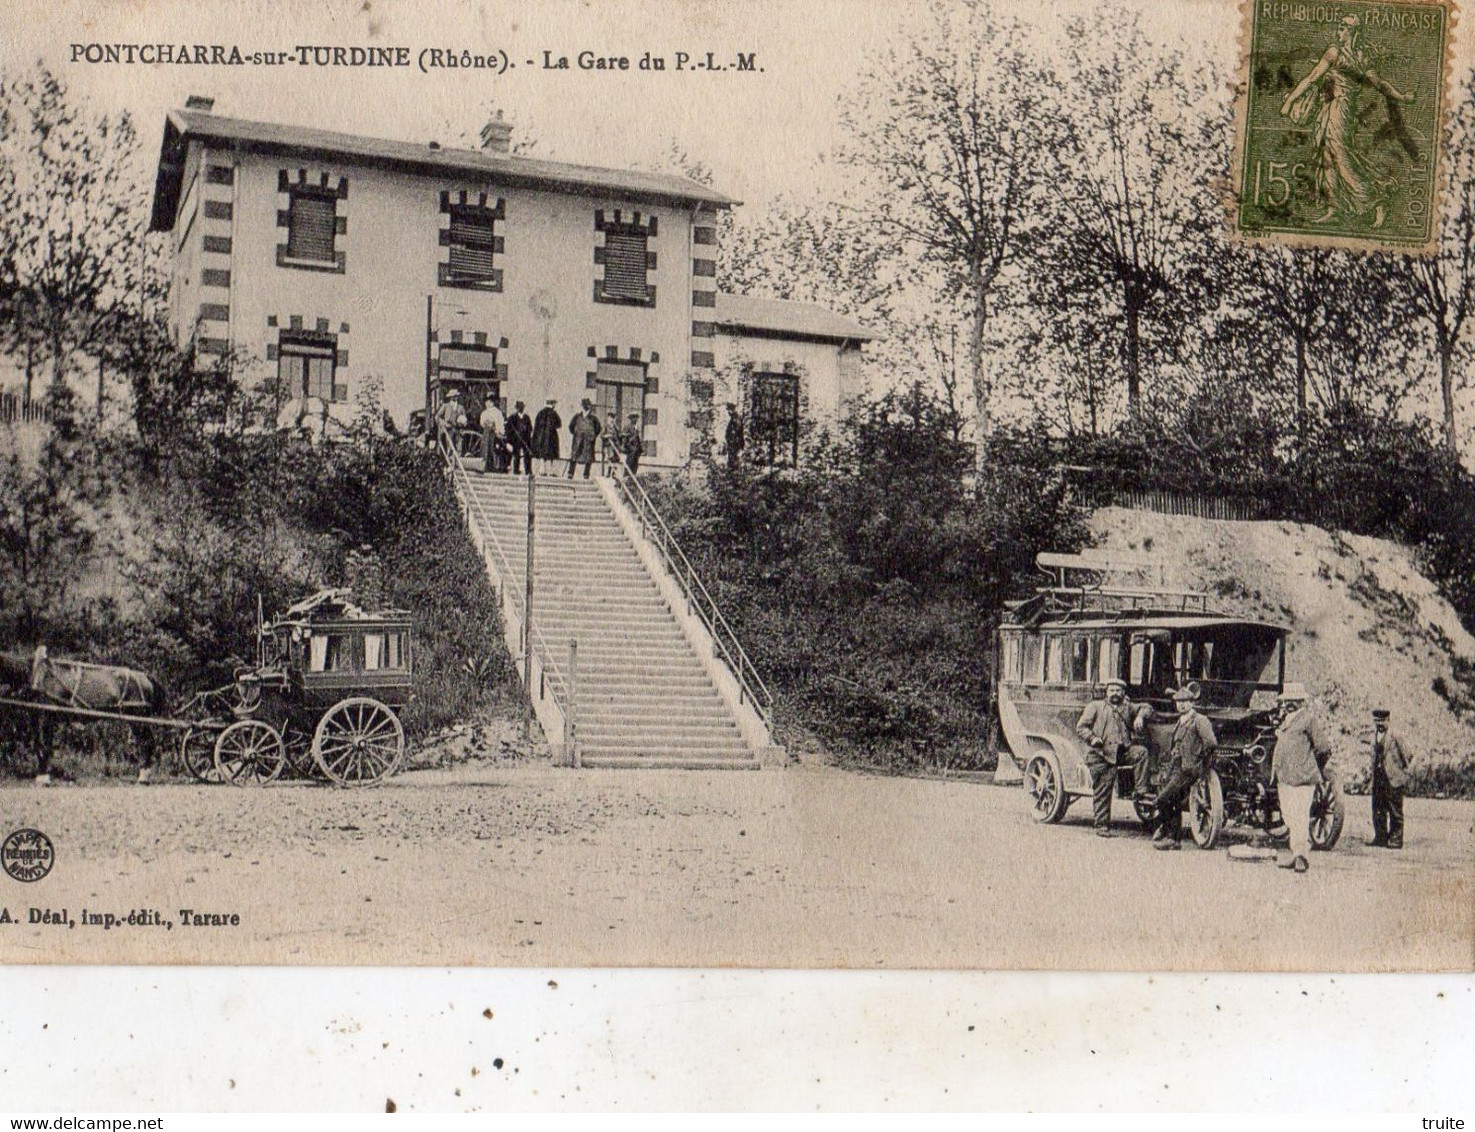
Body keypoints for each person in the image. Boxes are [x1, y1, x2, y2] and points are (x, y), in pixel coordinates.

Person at [1279, 14, 1412, 228]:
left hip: (1342, 111)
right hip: (1331, 108)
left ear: (1352, 31)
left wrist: (1401, 97)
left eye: (1342, 29)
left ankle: (1376, 200)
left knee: (1340, 156)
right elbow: (1313, 77)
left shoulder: (1355, 57)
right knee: (1326, 155)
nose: (1338, 33)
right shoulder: (1340, 54)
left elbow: (1380, 84)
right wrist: (1291, 100)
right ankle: (1335, 207)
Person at [1075, 677, 1151, 838]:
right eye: (1112, 691)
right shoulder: (1095, 707)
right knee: (1103, 788)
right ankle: (1101, 825)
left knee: (1141, 752)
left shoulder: (1127, 707)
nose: (1115, 694)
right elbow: (1081, 727)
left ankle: (1140, 790)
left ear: (1123, 693)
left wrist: (1140, 716)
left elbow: (1146, 707)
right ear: (1106, 692)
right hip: (1101, 754)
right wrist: (1092, 738)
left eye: (1118, 691)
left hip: (1122, 752)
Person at [1272, 683, 1334, 873]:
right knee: (1289, 817)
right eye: (1287, 701)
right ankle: (1295, 853)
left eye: (1295, 701)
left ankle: (1301, 857)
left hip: (1302, 778)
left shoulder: (1309, 720)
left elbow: (1324, 748)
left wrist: (1310, 766)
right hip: (1284, 777)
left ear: (1301, 702)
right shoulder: (1286, 721)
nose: (1290, 704)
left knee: (1300, 816)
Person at [1152, 682, 1216, 851]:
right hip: (1176, 767)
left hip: (1189, 769)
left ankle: (1168, 833)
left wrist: (1199, 761)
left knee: (1163, 799)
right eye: (1178, 702)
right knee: (1172, 800)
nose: (1181, 705)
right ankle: (1173, 839)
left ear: (1192, 702)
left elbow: (1210, 743)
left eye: (1185, 701)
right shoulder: (1180, 721)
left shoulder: (1200, 721)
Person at [1367, 708, 1410, 849]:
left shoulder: (1396, 735)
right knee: (1378, 808)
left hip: (1393, 778)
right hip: (1379, 778)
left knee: (1395, 809)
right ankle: (1380, 837)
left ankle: (1396, 839)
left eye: (1383, 721)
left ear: (1388, 720)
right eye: (1377, 721)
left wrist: (1403, 773)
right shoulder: (1374, 736)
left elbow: (1408, 755)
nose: (1380, 724)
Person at [566, 398, 602, 479]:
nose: (586, 407)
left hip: (588, 441)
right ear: (582, 406)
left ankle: (586, 474)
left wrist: (592, 436)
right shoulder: (577, 416)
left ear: (589, 406)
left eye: (587, 405)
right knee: (574, 455)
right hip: (578, 440)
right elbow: (571, 426)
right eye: (584, 405)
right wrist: (576, 434)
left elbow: (598, 428)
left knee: (588, 457)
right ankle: (570, 473)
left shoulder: (593, 418)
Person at [531, 398, 561, 475]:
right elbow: (559, 424)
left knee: (542, 455)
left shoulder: (540, 413)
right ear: (553, 404)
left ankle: (542, 470)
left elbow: (536, 426)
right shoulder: (554, 413)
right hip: (551, 437)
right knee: (552, 455)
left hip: (541, 437)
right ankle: (551, 471)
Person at [479, 397, 506, 474]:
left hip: (494, 433)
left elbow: (500, 423)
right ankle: (485, 465)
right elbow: (482, 423)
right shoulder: (484, 413)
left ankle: (495, 466)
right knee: (485, 448)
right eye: (486, 402)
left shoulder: (497, 412)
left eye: (488, 402)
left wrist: (499, 432)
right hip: (486, 433)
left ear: (492, 403)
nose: (486, 404)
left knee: (494, 449)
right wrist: (486, 424)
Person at [506, 400, 533, 476]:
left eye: (522, 407)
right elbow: (509, 430)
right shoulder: (512, 418)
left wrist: (528, 436)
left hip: (525, 439)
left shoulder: (526, 417)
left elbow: (530, 428)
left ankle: (528, 470)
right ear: (517, 408)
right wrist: (509, 441)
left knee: (527, 454)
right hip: (515, 440)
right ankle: (516, 470)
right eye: (519, 407)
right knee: (516, 454)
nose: (520, 409)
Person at [621, 411, 644, 475]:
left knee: (635, 466)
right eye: (634, 417)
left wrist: (640, 449)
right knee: (629, 466)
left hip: (636, 451)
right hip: (630, 450)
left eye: (636, 417)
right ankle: (626, 480)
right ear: (630, 419)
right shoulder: (627, 427)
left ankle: (632, 480)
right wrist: (631, 448)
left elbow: (638, 439)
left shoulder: (636, 428)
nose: (635, 419)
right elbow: (624, 440)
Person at [724, 403, 744, 471]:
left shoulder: (736, 418)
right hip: (732, 441)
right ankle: (732, 467)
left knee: (733, 455)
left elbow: (737, 430)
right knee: (732, 454)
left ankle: (734, 468)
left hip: (734, 441)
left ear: (732, 410)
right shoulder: (733, 418)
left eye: (729, 410)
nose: (728, 412)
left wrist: (732, 437)